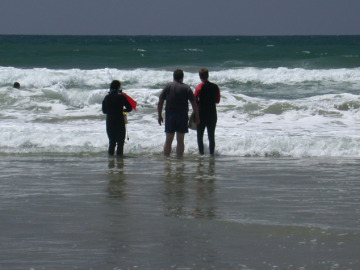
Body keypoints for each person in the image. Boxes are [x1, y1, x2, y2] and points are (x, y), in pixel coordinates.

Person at [158, 69, 199, 157]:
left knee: (168, 140)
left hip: (170, 116)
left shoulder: (168, 86)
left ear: (174, 77)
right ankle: (179, 161)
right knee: (180, 141)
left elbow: (160, 101)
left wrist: (159, 115)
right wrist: (197, 116)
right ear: (182, 77)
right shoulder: (186, 88)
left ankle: (167, 161)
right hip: (182, 116)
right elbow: (194, 104)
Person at [102, 80, 132, 157]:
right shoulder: (121, 97)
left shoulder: (106, 97)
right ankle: (119, 162)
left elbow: (104, 111)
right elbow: (129, 108)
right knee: (120, 143)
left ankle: (111, 162)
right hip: (119, 120)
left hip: (110, 121)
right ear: (118, 87)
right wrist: (123, 110)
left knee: (112, 142)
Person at [194, 68, 220, 155]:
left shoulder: (199, 87)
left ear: (200, 76)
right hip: (212, 113)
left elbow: (194, 99)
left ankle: (201, 154)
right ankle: (211, 154)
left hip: (201, 113)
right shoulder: (215, 87)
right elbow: (217, 101)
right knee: (211, 136)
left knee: (200, 136)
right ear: (208, 75)